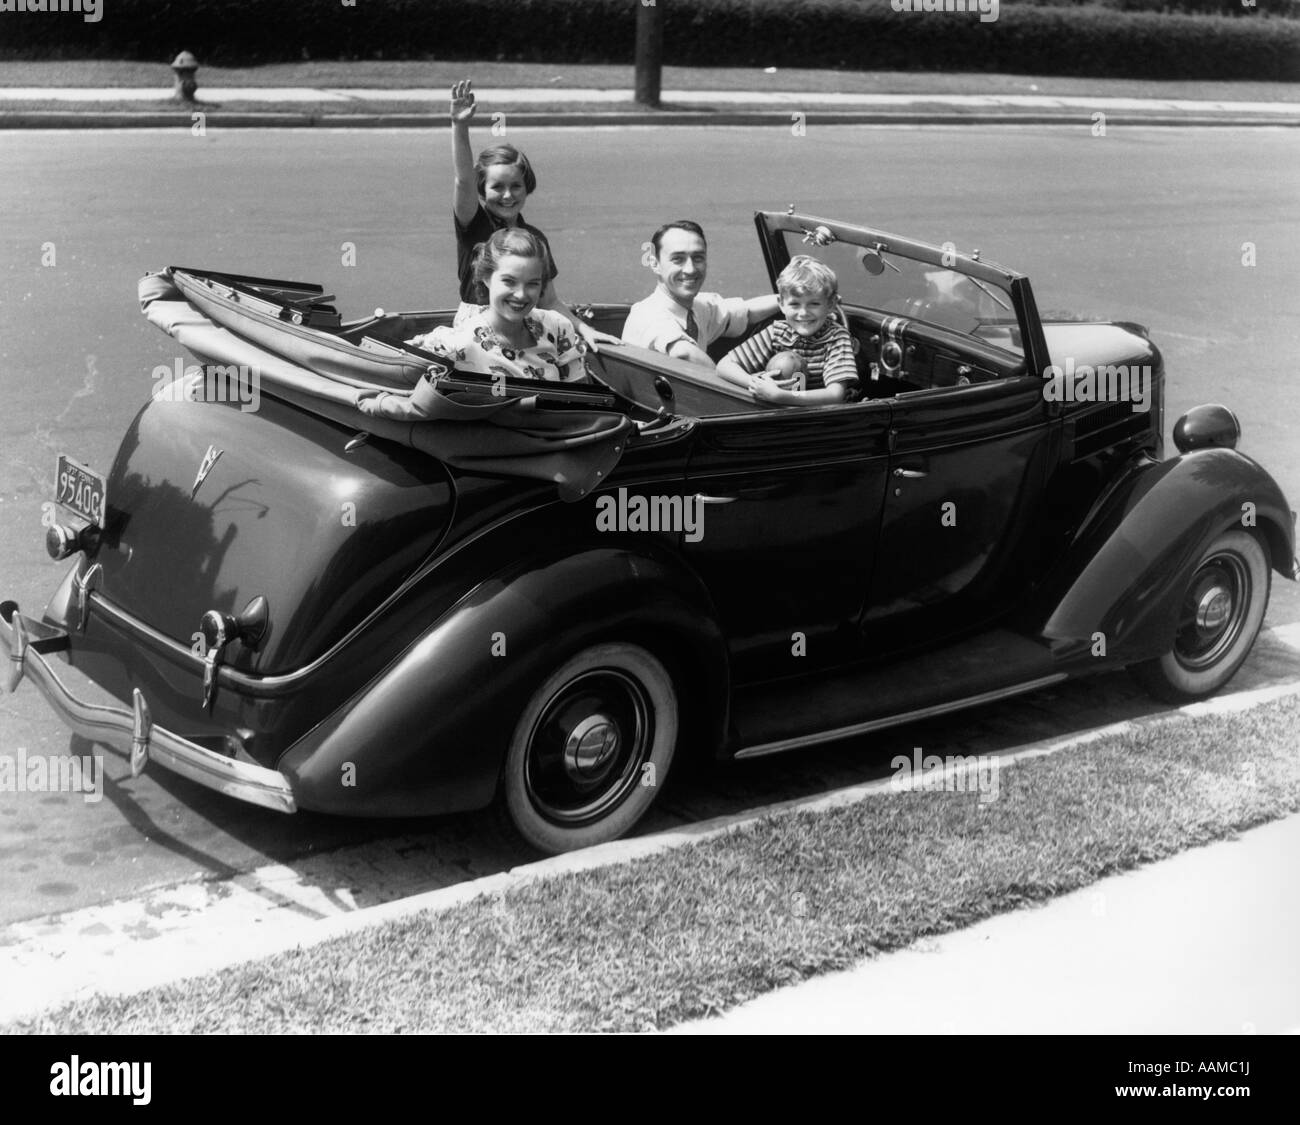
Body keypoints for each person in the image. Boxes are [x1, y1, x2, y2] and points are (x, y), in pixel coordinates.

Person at [448, 78, 616, 348]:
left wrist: (584, 329)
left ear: (527, 188)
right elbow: (463, 180)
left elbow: (549, 300)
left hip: (523, 321)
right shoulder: (473, 224)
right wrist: (459, 125)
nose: (507, 195)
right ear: (482, 191)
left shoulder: (534, 239)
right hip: (478, 331)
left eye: (516, 186)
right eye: (497, 187)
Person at [356, 228, 587, 420]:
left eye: (532, 284)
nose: (521, 294)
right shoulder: (457, 343)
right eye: (509, 281)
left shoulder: (558, 327)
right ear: (486, 278)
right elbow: (383, 363)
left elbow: (585, 405)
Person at [621, 220, 778, 367]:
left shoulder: (699, 307)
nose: (690, 269)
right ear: (655, 264)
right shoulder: (648, 313)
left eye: (698, 258)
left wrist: (789, 300)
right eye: (677, 259)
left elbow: (745, 313)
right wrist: (740, 384)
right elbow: (683, 352)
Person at [716, 255, 858, 405]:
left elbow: (834, 394)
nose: (803, 313)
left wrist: (782, 396)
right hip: (777, 412)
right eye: (795, 304)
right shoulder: (778, 332)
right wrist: (754, 383)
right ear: (781, 304)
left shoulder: (836, 338)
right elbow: (724, 366)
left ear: (831, 304)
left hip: (822, 418)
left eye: (814, 304)